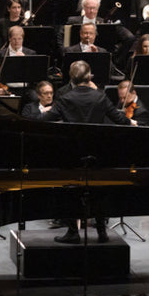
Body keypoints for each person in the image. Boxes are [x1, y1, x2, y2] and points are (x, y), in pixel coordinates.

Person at [43, 61, 132, 244]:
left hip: (72, 153)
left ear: (71, 77)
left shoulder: (65, 98)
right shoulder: (100, 97)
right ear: (89, 76)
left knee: (71, 191)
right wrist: (131, 122)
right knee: (98, 190)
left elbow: (45, 121)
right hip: (98, 152)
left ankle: (72, 232)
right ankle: (101, 232)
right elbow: (119, 119)